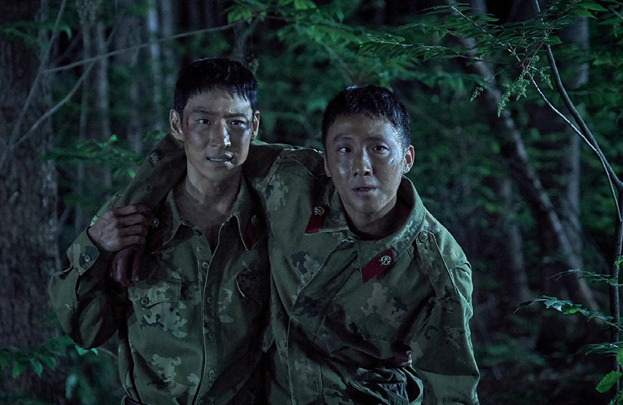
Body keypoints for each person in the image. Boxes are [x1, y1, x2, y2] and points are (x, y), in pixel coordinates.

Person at [121, 85, 480, 404]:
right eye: (345, 149)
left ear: (407, 159)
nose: (361, 166)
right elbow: (195, 148)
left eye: (379, 149)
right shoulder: (293, 185)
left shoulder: (437, 268)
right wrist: (133, 221)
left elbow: (452, 390)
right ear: (326, 162)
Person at [49, 58, 272, 405]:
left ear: (254, 126)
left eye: (236, 123)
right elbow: (86, 330)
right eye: (204, 121)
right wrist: (95, 247)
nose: (221, 139)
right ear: (177, 124)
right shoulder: (132, 219)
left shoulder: (274, 216)